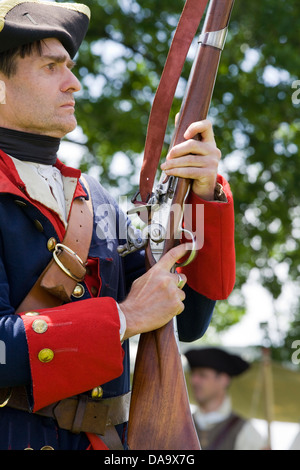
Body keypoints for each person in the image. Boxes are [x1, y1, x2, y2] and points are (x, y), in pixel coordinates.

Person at [0, 0, 235, 450]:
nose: (75, 83)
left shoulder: (95, 198)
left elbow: (188, 318)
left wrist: (203, 194)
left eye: (70, 66)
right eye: (52, 67)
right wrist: (122, 317)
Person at [185, 347, 267, 450]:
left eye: (202, 375)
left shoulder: (243, 430)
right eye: (193, 374)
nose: (194, 381)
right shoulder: (182, 425)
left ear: (223, 380)